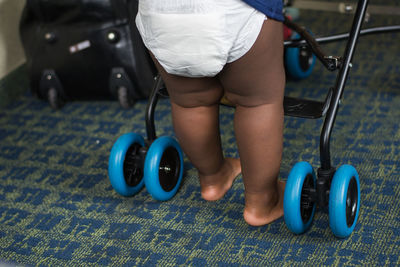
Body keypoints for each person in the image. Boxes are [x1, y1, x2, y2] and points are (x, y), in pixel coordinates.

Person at [135, 0, 286, 226]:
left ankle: (213, 177)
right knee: (257, 103)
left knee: (190, 103)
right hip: (237, 9)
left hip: (160, 11)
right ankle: (263, 201)